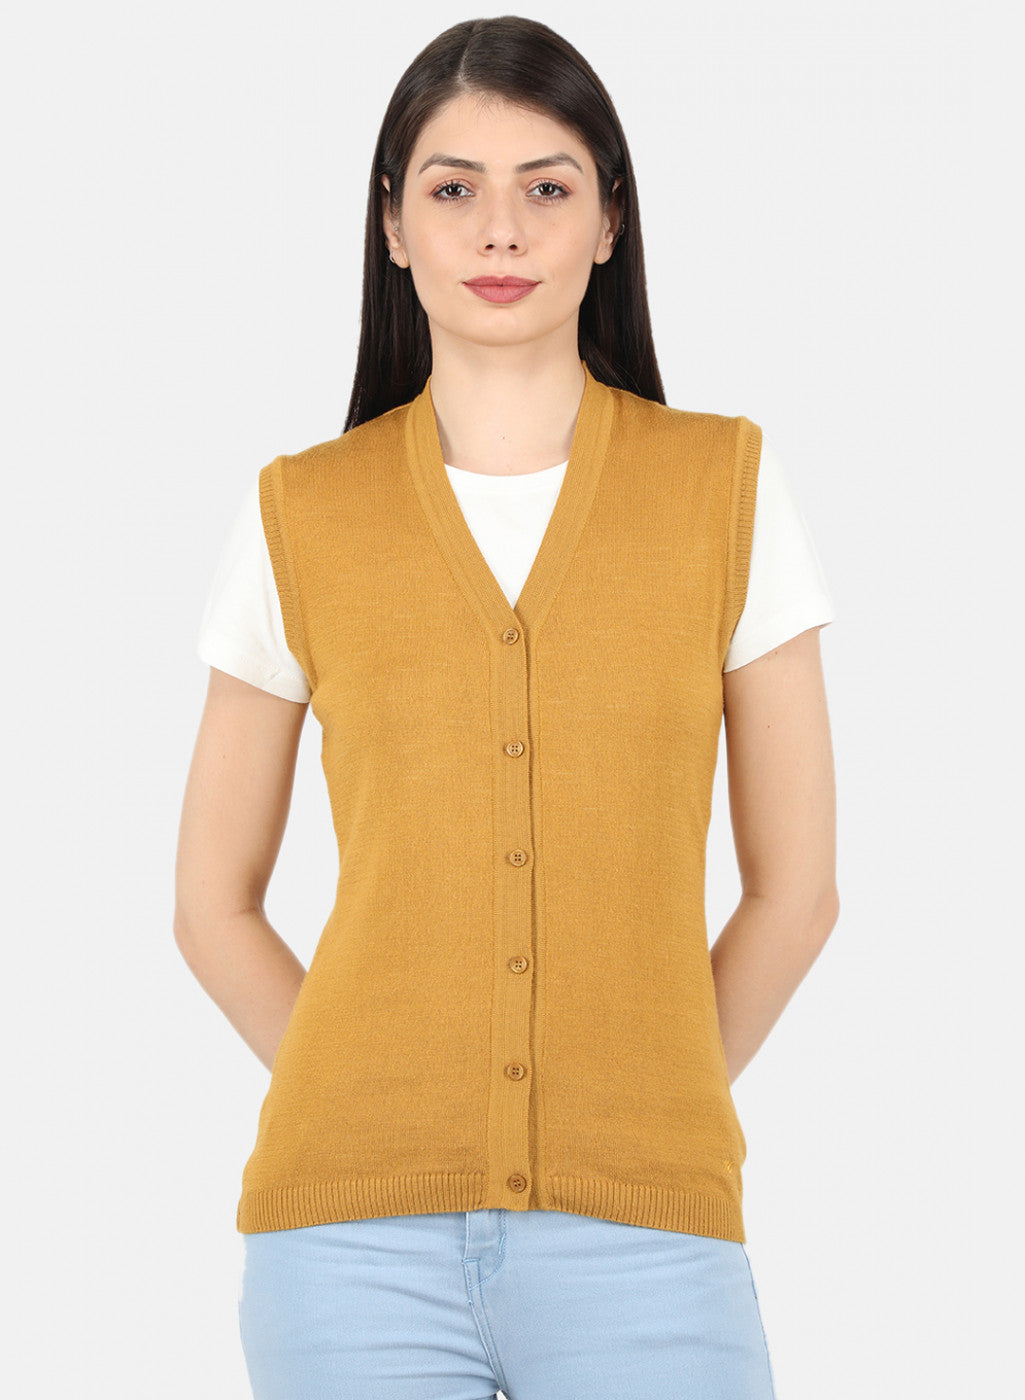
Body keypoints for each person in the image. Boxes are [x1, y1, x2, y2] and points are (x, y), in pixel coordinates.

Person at [174, 15, 839, 1400]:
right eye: (452, 187)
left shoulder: (722, 489)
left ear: (609, 222)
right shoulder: (303, 513)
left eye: (547, 186)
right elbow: (209, 903)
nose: (500, 229)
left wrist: (651, 1096)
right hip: (344, 1256)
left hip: (650, 1243)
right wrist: (365, 1094)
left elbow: (798, 890)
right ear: (393, 225)